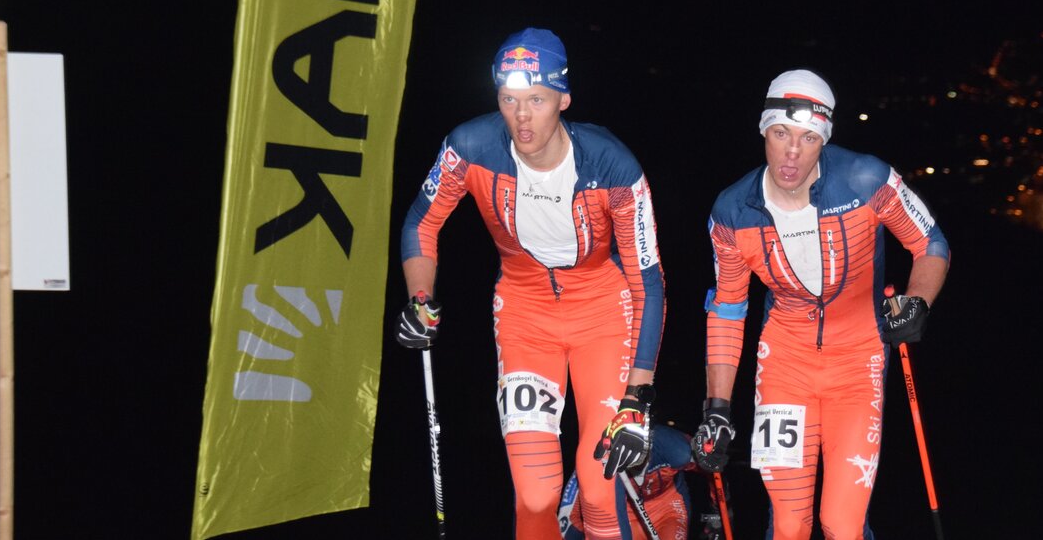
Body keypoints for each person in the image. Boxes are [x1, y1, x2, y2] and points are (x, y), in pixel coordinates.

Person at [394, 27, 667, 539]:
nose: (521, 116)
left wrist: (638, 396)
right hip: (524, 316)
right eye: (509, 99)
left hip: (604, 314)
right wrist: (420, 300)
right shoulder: (470, 147)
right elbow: (421, 223)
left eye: (536, 100)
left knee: (597, 483)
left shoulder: (612, 163)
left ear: (563, 99)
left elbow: (648, 280)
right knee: (537, 494)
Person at [691, 69, 950, 540]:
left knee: (841, 524)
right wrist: (717, 409)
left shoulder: (865, 179)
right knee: (789, 525)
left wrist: (918, 302)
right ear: (764, 131)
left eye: (808, 138)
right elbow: (728, 308)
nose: (792, 151)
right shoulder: (732, 211)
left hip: (858, 362)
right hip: (784, 366)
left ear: (824, 139)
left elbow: (930, 242)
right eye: (781, 133)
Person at [558, 424, 696, 540]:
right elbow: (570, 514)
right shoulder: (600, 453)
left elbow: (709, 464)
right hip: (626, 511)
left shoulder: (675, 449)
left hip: (667, 507)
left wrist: (715, 507)